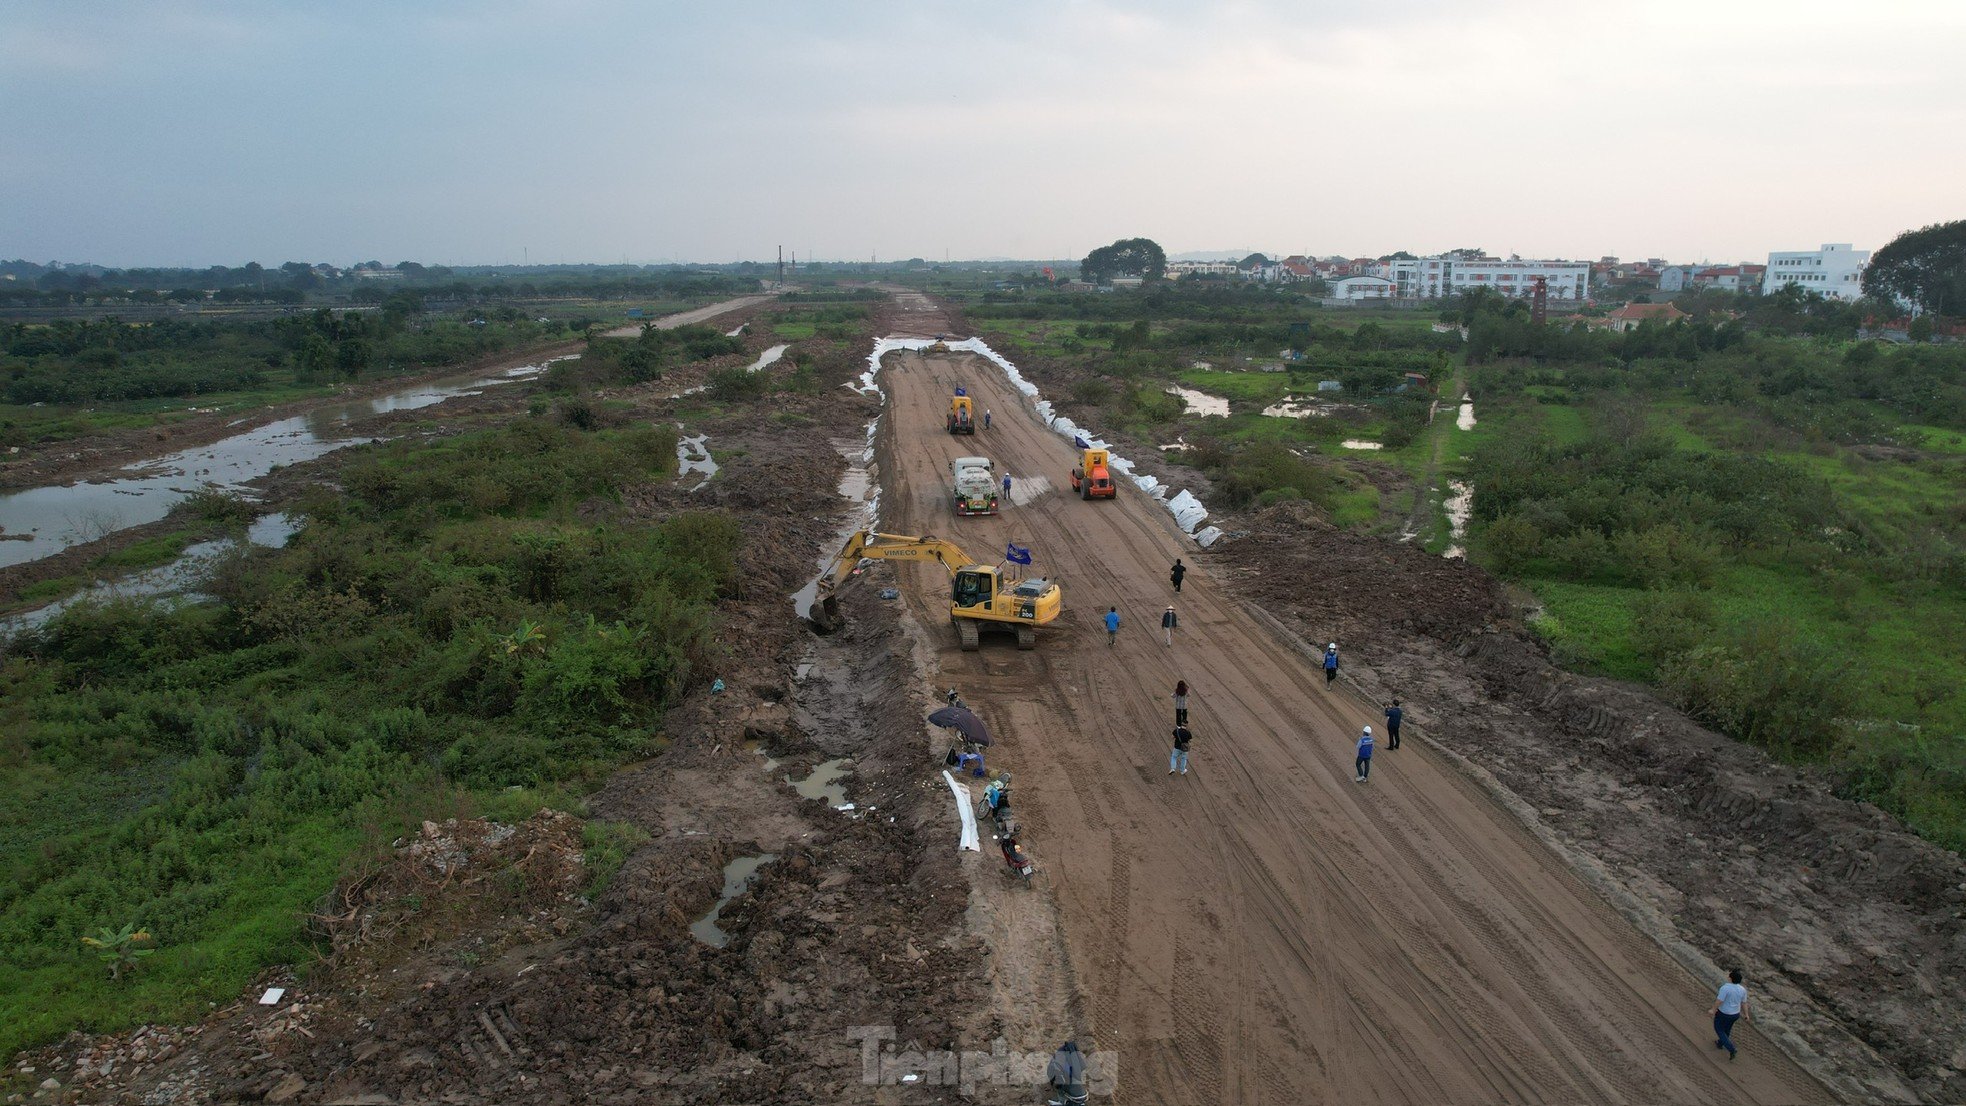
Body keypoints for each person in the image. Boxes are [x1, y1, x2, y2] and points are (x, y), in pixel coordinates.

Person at [1711, 969, 1750, 1060]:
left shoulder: (1725, 988)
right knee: (1727, 1029)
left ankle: (1731, 1048)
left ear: (1731, 979)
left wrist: (1713, 1009)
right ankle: (1721, 1043)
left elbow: (1719, 1000)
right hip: (1735, 1014)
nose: (1728, 977)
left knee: (1719, 1029)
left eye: (1729, 976)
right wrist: (1746, 1014)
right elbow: (1744, 1003)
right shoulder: (1742, 989)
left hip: (1724, 1013)